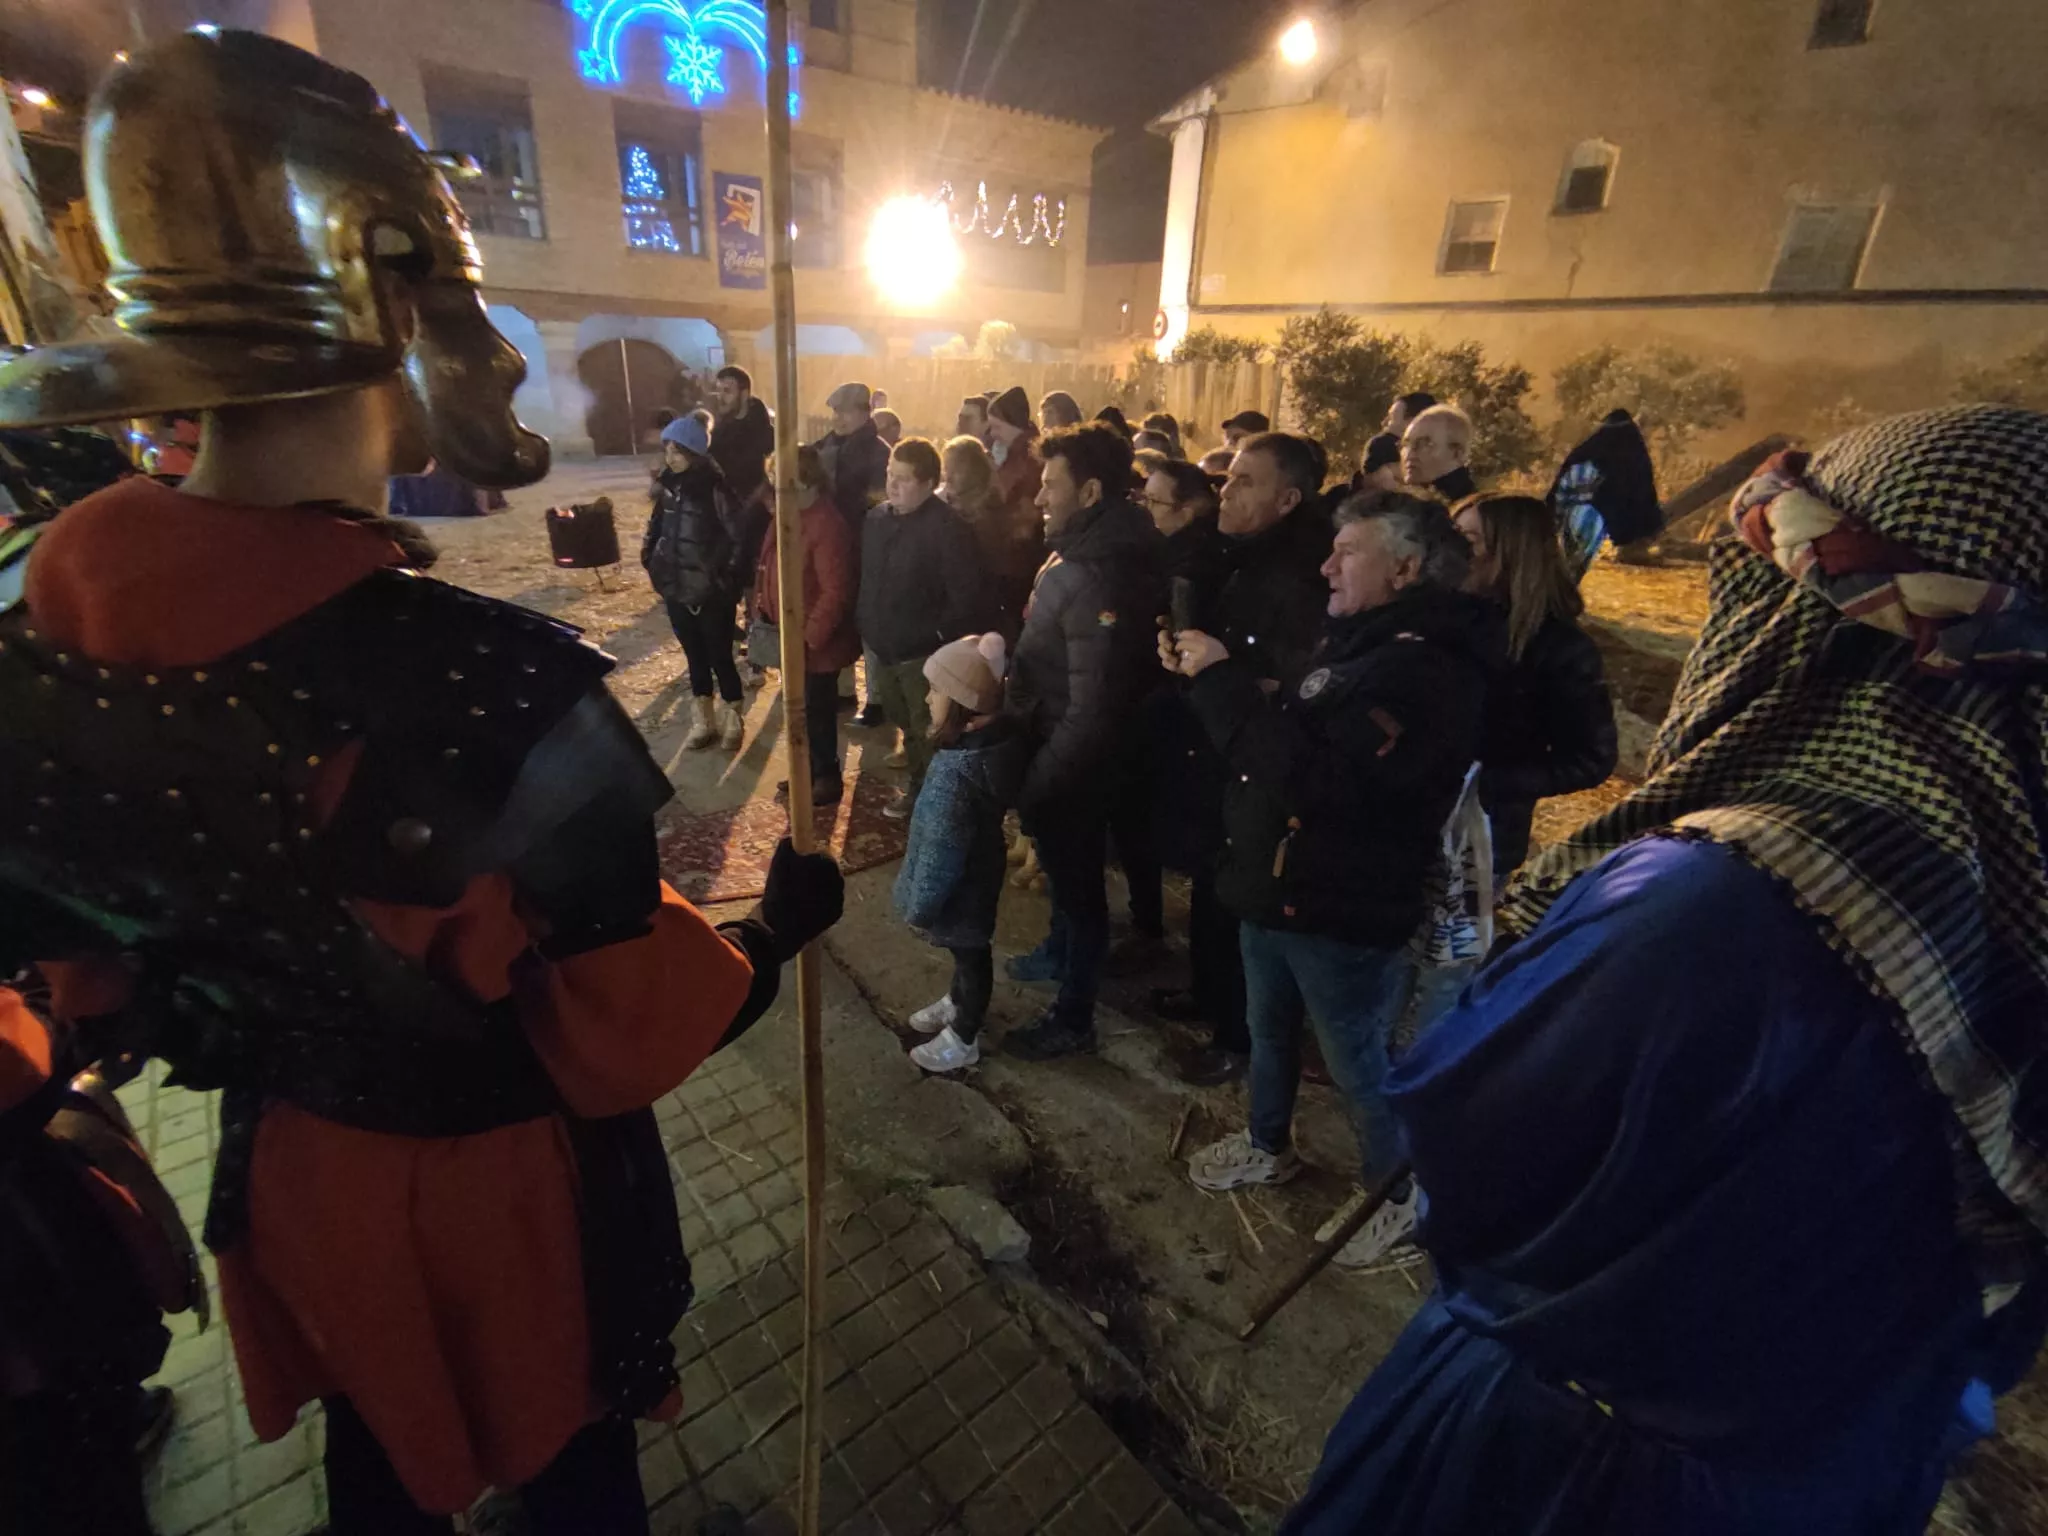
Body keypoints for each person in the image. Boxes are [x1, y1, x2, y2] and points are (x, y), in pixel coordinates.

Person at [0, 30, 847, 1534]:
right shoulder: (497, 685)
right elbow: (619, 1034)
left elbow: (86, 980)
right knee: (571, 1473)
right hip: (491, 1196)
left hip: (297, 1179)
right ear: (399, 300)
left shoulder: (31, 625)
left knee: (380, 1472)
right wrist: (774, 935)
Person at [1286, 407, 2048, 1536]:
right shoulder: (1998, 910)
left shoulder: (1715, 905)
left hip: (1564, 1468)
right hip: (1826, 1477)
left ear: (1808, 625)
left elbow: (1470, 1146)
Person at [1167, 493, 1501, 1269]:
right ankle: (1266, 1143)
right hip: (1276, 885)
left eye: (1347, 550)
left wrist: (1220, 685)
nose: (1325, 563)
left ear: (1406, 567)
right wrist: (1236, 683)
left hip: (1336, 902)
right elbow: (1301, 723)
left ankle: (1395, 1198)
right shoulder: (1358, 642)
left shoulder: (1424, 669)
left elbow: (1311, 777)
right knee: (1268, 1029)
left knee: (1357, 1062)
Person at [1147, 432, 1335, 1084]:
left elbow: (1293, 677)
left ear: (1287, 498)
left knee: (1239, 901)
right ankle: (1207, 995)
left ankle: (1238, 1035)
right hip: (1214, 743)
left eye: (1244, 482)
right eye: (1226, 480)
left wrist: (1233, 677)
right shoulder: (1234, 553)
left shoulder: (1305, 574)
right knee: (1209, 882)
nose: (1225, 491)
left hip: (1255, 763)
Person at [1004, 423, 1167, 1059]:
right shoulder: (1085, 548)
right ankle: (1058, 951)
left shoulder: (1099, 573)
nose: (1040, 497)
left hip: (1077, 761)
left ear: (1091, 489)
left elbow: (1093, 705)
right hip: (1060, 745)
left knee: (1080, 889)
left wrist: (1041, 782)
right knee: (1068, 882)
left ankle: (1074, 1017)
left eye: (1051, 485)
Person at [1453, 493, 1617, 875]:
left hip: (1481, 839)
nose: (1451, 548)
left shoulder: (1559, 647)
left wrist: (1484, 784)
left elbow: (1592, 757)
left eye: (1469, 539)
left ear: (1511, 552)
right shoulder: (1437, 617)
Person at [895, 634, 1030, 1073]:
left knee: (972, 954)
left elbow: (940, 848)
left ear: (962, 706)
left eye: (936, 690)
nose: (927, 696)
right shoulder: (988, 746)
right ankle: (956, 1002)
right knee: (967, 952)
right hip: (979, 867)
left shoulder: (957, 773)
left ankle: (963, 1036)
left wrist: (920, 905)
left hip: (960, 882)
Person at [857, 437, 985, 819]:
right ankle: (924, 789)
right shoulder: (877, 519)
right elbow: (867, 576)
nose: (893, 485)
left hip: (921, 652)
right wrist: (864, 619)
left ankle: (930, 801)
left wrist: (934, 637)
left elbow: (965, 595)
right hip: (882, 645)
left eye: (904, 479)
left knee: (927, 729)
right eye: (889, 475)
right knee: (902, 720)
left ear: (929, 483)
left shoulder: (947, 528)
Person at [754, 445, 859, 807]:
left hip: (816, 644)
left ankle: (826, 776)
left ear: (804, 481)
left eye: (778, 480)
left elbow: (836, 591)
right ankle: (807, 770)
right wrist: (761, 608)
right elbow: (768, 562)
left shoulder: (826, 524)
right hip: (792, 636)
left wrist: (807, 638)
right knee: (798, 709)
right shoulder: (788, 513)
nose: (773, 487)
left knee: (816, 711)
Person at [643, 415, 747, 750]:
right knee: (694, 657)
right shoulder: (669, 489)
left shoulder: (717, 490)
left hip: (712, 592)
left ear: (695, 453)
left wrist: (726, 579)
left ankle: (733, 713)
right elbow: (655, 529)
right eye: (667, 450)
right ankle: (703, 717)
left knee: (720, 655)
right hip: (676, 587)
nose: (670, 458)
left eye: (678, 451)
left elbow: (739, 538)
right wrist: (652, 562)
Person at [984, 389, 1048, 641]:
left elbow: (1023, 514)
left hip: (1018, 560)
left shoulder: (1029, 459)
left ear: (1012, 424)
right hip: (1011, 557)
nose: (992, 433)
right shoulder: (1011, 453)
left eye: (996, 426)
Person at [1401, 403, 1478, 502]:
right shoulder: (1409, 505)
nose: (1409, 455)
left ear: (1457, 453)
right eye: (1406, 445)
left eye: (1425, 444)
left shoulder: (1469, 512)